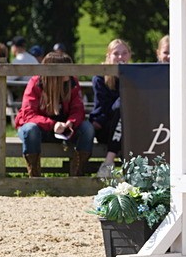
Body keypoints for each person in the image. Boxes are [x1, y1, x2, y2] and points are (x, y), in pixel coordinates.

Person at [15, 50, 95, 177]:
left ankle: (77, 174)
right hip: (40, 130)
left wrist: (70, 123)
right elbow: (28, 114)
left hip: (65, 130)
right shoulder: (36, 83)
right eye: (66, 69)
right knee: (30, 129)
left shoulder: (72, 83)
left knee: (88, 128)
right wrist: (53, 125)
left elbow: (78, 109)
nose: (70, 72)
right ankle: (34, 175)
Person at [89, 39, 131, 178]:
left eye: (124, 53)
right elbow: (104, 109)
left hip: (128, 128)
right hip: (106, 127)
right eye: (116, 53)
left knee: (124, 109)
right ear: (109, 56)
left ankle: (111, 163)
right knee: (122, 106)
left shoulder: (134, 76)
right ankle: (109, 162)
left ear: (129, 55)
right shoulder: (100, 78)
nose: (120, 57)